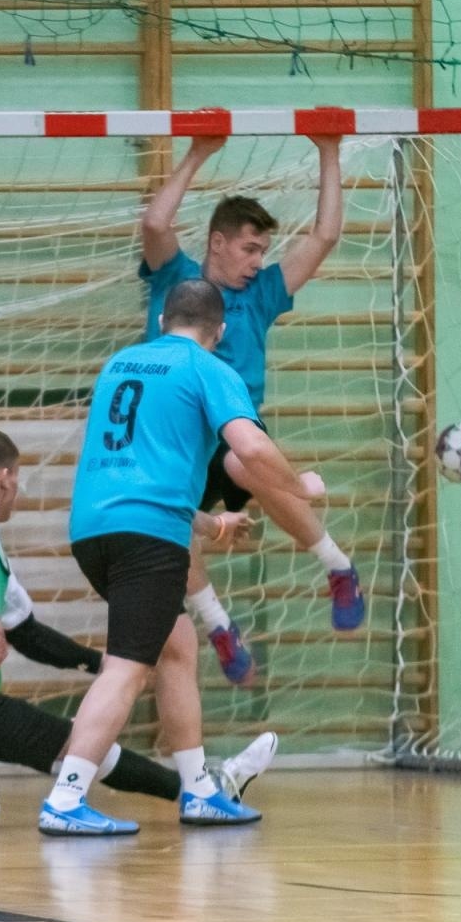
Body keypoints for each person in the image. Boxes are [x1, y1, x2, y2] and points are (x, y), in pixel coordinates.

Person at [0, 431, 278, 837]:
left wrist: (101, 664)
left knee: (87, 750)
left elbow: (28, 634)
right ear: (5, 477)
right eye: (17, 478)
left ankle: (203, 788)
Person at [40, 279, 321, 834]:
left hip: (94, 529)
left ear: (163, 318)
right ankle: (67, 797)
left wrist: (212, 522)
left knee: (176, 646)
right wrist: (300, 488)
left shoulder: (121, 364)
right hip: (149, 540)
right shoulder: (207, 368)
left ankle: (197, 790)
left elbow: (138, 475)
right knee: (125, 669)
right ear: (219, 331)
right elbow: (253, 448)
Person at [140, 133, 363, 684]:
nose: (257, 261)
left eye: (263, 251)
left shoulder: (261, 293)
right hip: (173, 438)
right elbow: (154, 225)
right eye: (248, 248)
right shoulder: (178, 280)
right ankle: (218, 626)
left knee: (244, 461)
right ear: (217, 242)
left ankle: (338, 567)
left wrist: (329, 150)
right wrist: (197, 153)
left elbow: (325, 235)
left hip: (235, 433)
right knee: (167, 526)